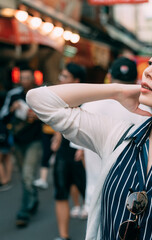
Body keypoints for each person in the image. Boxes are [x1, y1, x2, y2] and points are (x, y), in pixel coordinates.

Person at [26, 33, 152, 240]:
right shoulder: (118, 138)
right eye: (151, 63)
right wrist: (116, 91)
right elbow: (39, 100)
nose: (149, 72)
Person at [74, 57, 151, 220]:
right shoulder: (147, 110)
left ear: (109, 76)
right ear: (136, 79)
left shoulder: (89, 105)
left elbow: (80, 154)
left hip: (96, 195)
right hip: (133, 201)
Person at [45, 62, 87, 240]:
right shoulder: (59, 100)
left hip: (84, 155)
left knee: (93, 197)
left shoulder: (89, 101)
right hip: (64, 153)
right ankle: (64, 236)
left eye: (64, 76)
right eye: (61, 76)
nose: (60, 79)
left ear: (76, 81)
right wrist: (57, 136)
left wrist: (85, 148)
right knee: (61, 193)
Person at [0, 64, 43, 227]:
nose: (24, 80)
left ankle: (23, 212)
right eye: (22, 78)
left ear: (33, 78)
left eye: (27, 77)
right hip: (17, 141)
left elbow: (50, 117)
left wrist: (36, 115)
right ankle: (33, 200)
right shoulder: (13, 94)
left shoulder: (39, 94)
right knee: (27, 178)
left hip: (35, 141)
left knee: (27, 175)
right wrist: (12, 109)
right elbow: (3, 115)